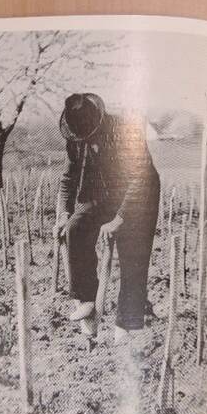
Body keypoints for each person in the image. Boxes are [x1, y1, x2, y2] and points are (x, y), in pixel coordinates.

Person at [55, 93, 160, 342]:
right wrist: (62, 213)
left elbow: (141, 181)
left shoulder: (125, 132)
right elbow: (68, 180)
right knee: (75, 227)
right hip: (102, 196)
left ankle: (127, 326)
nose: (86, 140)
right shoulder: (76, 140)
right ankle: (86, 301)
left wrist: (119, 220)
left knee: (132, 255)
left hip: (140, 196)